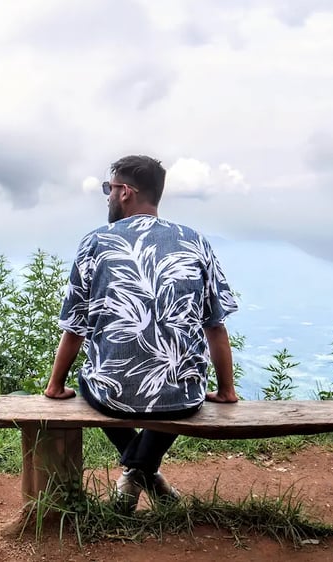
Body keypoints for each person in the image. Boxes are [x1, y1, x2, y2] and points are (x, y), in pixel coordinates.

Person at [43, 154, 239, 510]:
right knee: (179, 383)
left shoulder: (96, 241)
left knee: (92, 379)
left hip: (111, 394)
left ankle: (136, 472)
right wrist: (226, 390)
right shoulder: (195, 240)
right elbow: (216, 324)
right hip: (182, 398)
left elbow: (75, 327)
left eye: (108, 188)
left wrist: (55, 386)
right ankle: (144, 472)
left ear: (124, 192)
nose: (106, 196)